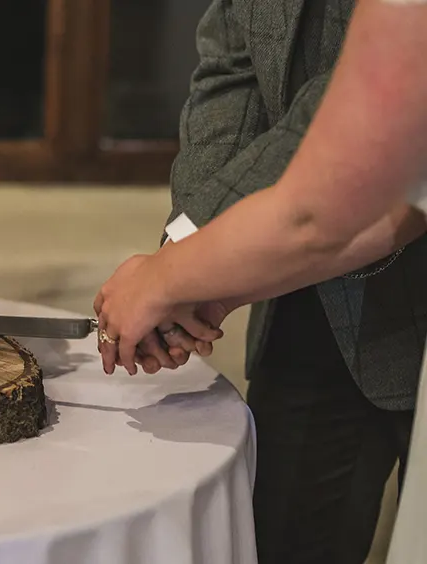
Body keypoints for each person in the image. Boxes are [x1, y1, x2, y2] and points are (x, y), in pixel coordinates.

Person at [93, 0, 427, 562]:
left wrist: (171, 278)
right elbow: (234, 63)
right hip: (307, 298)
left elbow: (331, 195)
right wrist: (191, 250)